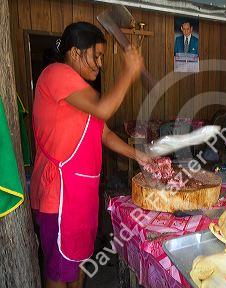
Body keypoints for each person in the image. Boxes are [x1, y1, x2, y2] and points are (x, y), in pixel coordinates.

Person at [30, 22, 151, 288]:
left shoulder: (80, 91)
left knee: (80, 259)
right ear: (74, 52)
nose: (99, 64)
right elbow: (105, 109)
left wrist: (139, 156)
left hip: (82, 193)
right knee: (59, 271)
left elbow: (103, 133)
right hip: (59, 195)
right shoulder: (56, 74)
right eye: (95, 55)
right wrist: (128, 72)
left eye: (102, 58)